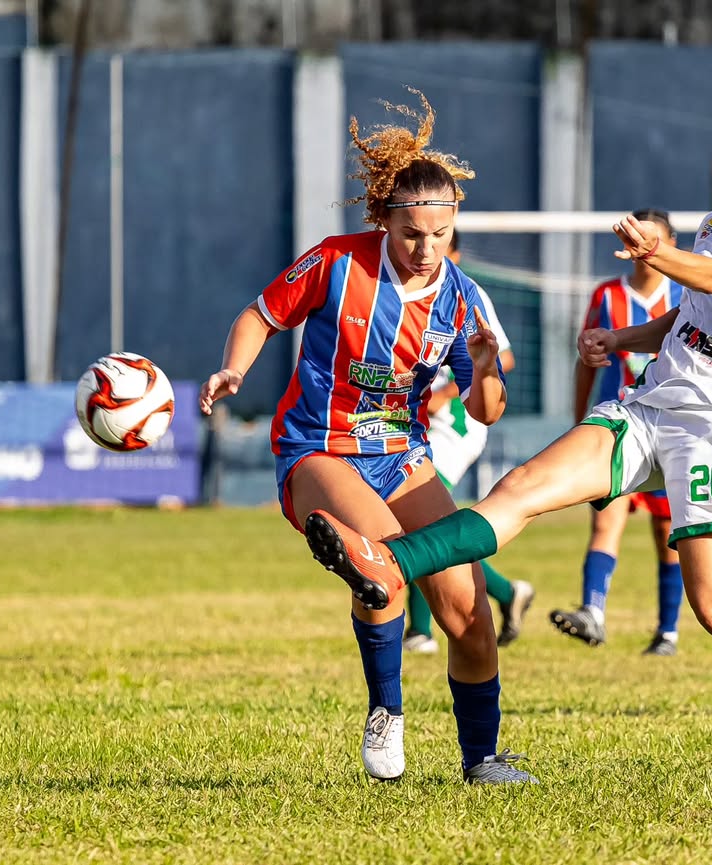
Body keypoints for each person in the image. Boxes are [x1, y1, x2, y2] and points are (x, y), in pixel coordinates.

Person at [305, 114, 712, 782]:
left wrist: (656, 253)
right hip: (648, 407)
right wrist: (622, 342)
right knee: (519, 490)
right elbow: (693, 317)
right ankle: (389, 562)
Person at [200, 90, 536, 785]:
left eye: (440, 235)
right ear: (385, 218)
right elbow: (260, 315)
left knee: (470, 611)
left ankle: (483, 759)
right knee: (383, 565)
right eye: (413, 233)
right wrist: (234, 368)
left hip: (401, 456)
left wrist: (482, 368)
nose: (426, 249)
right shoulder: (335, 263)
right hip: (317, 451)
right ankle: (387, 709)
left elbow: (489, 408)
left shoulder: (466, 300)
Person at [549, 208, 685, 655]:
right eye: (638, 238)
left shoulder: (686, 293)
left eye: (656, 239)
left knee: (668, 533)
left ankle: (667, 632)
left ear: (671, 244)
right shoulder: (607, 295)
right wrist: (577, 419)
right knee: (606, 520)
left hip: (669, 428)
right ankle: (593, 612)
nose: (647, 249)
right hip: (619, 425)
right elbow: (586, 357)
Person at [405, 233, 535, 654]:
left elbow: (505, 357)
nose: (424, 251)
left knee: (418, 515)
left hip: (457, 423)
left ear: (454, 253)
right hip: (418, 421)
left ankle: (420, 630)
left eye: (439, 241)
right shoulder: (399, 287)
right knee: (421, 521)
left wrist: (448, 385)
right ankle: (505, 592)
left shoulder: (465, 290)